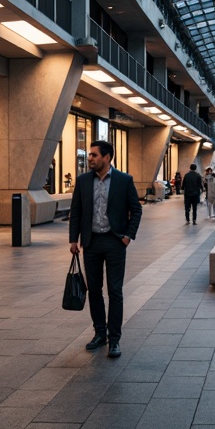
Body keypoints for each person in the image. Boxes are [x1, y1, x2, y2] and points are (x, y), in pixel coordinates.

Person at [69, 140, 142, 358]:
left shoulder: (124, 180)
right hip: (91, 243)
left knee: (115, 291)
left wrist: (127, 236)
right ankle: (99, 334)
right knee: (94, 291)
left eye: (93, 155)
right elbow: (76, 211)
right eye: (89, 155)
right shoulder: (83, 181)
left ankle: (115, 340)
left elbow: (136, 210)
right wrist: (74, 239)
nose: (89, 158)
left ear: (107, 157)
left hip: (115, 242)